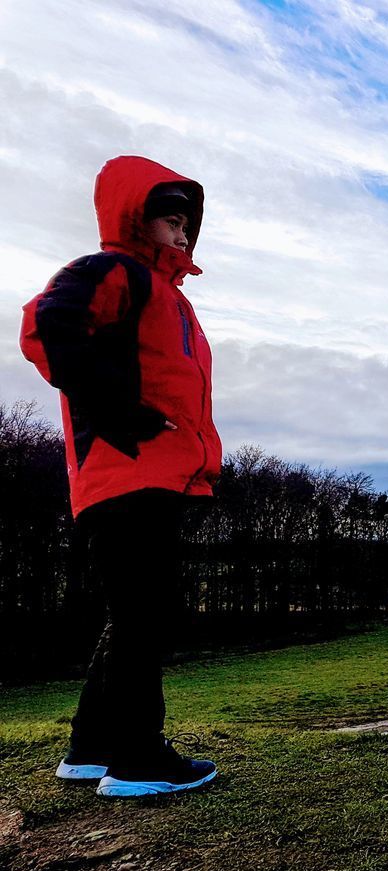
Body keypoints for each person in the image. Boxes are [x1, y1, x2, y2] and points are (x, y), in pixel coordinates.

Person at [19, 155, 223, 797]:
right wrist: (120, 411)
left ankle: (89, 748)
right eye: (170, 219)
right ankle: (138, 760)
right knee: (144, 614)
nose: (183, 234)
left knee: (134, 611)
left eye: (189, 223)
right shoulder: (110, 270)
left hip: (155, 475)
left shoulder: (170, 299)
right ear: (136, 216)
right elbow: (46, 327)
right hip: (124, 472)